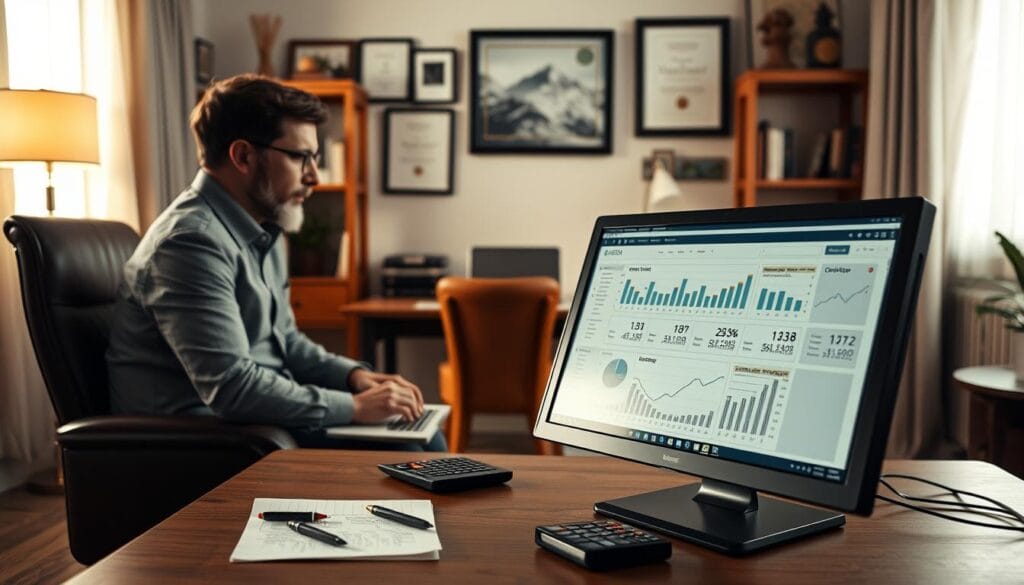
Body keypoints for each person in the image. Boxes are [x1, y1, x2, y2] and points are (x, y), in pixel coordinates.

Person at [106, 74, 446, 451]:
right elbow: (232, 387)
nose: (314, 176)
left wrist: (353, 379)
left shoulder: (263, 230)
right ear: (243, 156)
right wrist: (353, 408)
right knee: (410, 451)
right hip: (209, 442)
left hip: (260, 422)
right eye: (301, 156)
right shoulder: (190, 243)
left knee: (423, 435)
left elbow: (284, 341)